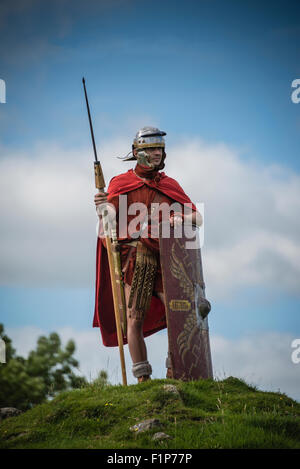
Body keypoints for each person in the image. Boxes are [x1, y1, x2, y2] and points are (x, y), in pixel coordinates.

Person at [93, 127, 205, 382]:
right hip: (134, 258)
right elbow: (110, 219)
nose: (158, 154)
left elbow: (197, 218)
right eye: (152, 149)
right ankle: (143, 378)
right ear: (137, 152)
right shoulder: (120, 182)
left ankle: (175, 370)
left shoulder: (170, 184)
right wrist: (103, 207)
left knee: (179, 313)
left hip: (167, 258)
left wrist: (181, 217)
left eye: (160, 149)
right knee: (134, 316)